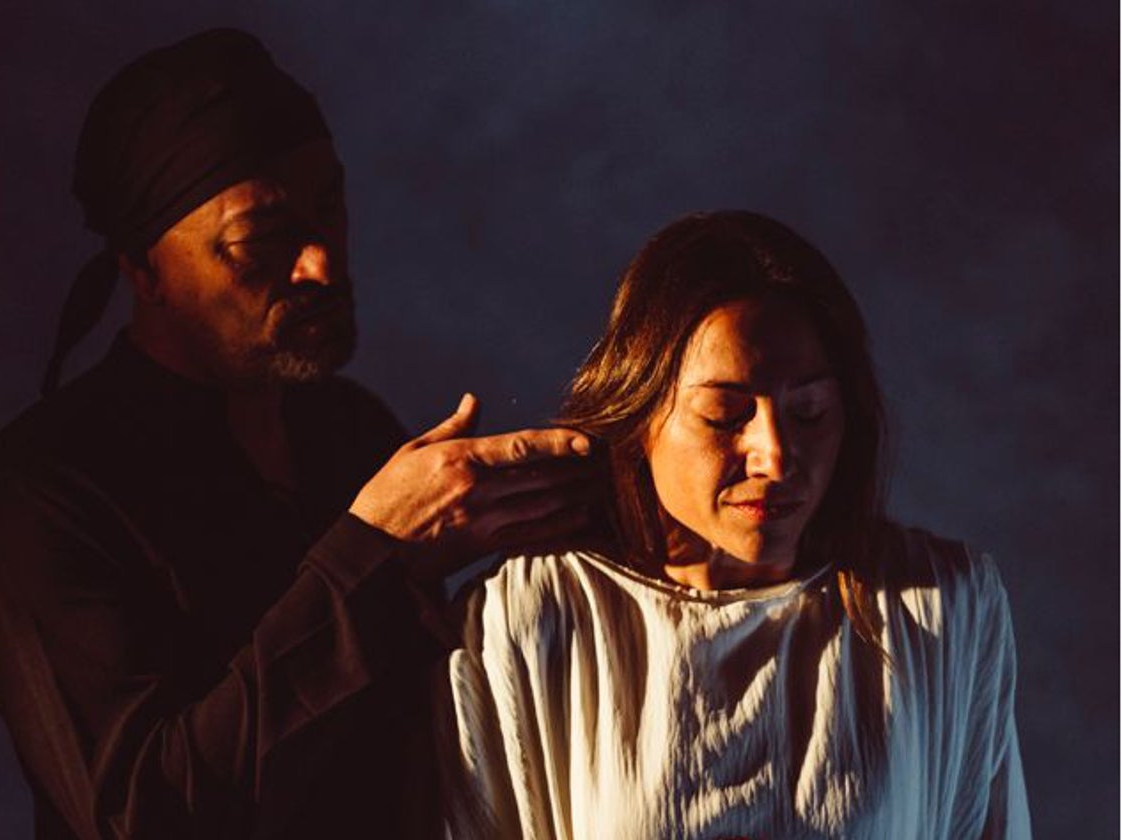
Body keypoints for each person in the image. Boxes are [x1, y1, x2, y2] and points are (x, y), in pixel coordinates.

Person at [0, 29, 597, 839]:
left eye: (329, 207)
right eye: (260, 243)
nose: (321, 264)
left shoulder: (353, 432)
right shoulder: (44, 490)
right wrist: (372, 553)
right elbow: (140, 815)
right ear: (143, 269)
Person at [440, 211, 1031, 838]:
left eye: (808, 412)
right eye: (724, 415)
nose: (774, 455)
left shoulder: (939, 605)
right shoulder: (533, 614)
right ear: (641, 419)